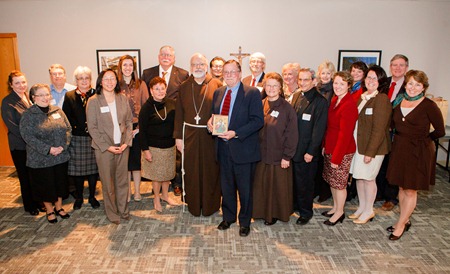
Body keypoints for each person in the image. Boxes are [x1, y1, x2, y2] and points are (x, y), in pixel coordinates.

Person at [386, 70, 444, 240]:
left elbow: (439, 131)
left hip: (418, 151)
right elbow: (391, 124)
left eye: (417, 85)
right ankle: (405, 218)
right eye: (410, 83)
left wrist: (424, 141)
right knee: (401, 187)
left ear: (423, 87)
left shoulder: (429, 105)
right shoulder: (398, 101)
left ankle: (401, 224)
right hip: (399, 148)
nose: (413, 88)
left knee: (411, 189)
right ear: (406, 84)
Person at [208, 60, 264, 237]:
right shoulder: (218, 93)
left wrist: (236, 133)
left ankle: (245, 221)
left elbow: (257, 121)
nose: (229, 75)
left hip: (243, 148)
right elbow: (214, 116)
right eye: (226, 72)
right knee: (227, 186)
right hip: (223, 148)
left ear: (240, 73)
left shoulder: (252, 93)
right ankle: (228, 217)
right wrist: (210, 125)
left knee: (245, 189)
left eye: (233, 72)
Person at [174, 53, 222, 216]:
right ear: (190, 67)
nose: (198, 67)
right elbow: (179, 113)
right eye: (195, 64)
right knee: (192, 170)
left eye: (201, 64)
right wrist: (178, 138)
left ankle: (210, 206)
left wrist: (221, 133)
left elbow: (222, 111)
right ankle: (193, 205)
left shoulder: (217, 84)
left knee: (211, 170)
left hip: (211, 136)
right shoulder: (184, 86)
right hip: (189, 134)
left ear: (206, 66)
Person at [20, 84, 72, 223]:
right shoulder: (28, 115)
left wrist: (63, 146)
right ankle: (49, 210)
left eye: (47, 94)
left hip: (60, 156)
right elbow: (28, 136)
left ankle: (59, 207)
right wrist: (48, 149)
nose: (45, 97)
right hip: (41, 159)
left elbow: (68, 128)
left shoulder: (57, 110)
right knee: (46, 185)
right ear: (33, 98)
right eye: (41, 95)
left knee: (60, 184)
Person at [86, 69, 133, 225]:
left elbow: (128, 122)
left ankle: (123, 210)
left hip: (123, 146)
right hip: (104, 149)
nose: (109, 82)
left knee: (122, 182)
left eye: (112, 78)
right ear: (100, 81)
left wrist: (127, 142)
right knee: (108, 182)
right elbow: (92, 128)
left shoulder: (122, 98)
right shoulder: (93, 101)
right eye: (106, 79)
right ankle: (112, 213)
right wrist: (107, 147)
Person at [141, 45, 189, 196]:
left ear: (174, 58)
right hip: (155, 121)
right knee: (157, 167)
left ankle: (175, 185)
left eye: (169, 55)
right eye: (163, 54)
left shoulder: (183, 74)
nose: (166, 57)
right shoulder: (147, 73)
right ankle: (157, 193)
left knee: (172, 163)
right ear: (158, 56)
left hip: (173, 120)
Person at [252, 72, 298, 225]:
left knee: (276, 188)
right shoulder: (259, 104)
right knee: (261, 186)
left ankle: (273, 215)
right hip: (260, 155)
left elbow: (292, 134)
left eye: (275, 86)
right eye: (268, 85)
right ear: (264, 86)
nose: (271, 88)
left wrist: (287, 156)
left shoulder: (287, 108)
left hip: (278, 157)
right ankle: (260, 212)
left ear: (280, 88)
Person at [349, 65, 392, 224]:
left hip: (372, 148)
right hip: (359, 145)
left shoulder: (381, 99)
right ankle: (361, 207)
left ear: (380, 81)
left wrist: (370, 152)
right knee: (359, 178)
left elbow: (379, 129)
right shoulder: (363, 96)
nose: (371, 81)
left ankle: (369, 210)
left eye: (375, 78)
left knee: (368, 179)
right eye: (368, 77)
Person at [1, 71, 42, 215]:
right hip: (19, 146)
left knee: (34, 175)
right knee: (25, 176)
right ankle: (30, 205)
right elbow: (12, 127)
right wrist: (32, 139)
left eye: (23, 82)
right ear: (11, 85)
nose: (21, 85)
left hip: (33, 145)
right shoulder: (7, 102)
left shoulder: (29, 98)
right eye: (17, 83)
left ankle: (38, 201)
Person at [290, 68, 328, 225]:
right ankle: (296, 207)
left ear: (313, 81)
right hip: (294, 149)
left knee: (305, 184)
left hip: (307, 151)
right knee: (295, 181)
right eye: (300, 79)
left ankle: (306, 212)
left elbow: (319, 130)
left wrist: (311, 151)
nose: (302, 83)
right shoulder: (298, 95)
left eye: (306, 80)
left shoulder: (320, 101)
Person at [322, 71, 358, 226]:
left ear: (349, 85)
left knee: (340, 183)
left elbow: (345, 135)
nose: (337, 86)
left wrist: (336, 157)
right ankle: (335, 207)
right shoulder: (335, 99)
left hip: (342, 151)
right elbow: (329, 127)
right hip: (331, 146)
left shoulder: (349, 105)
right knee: (332, 181)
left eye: (342, 84)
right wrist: (325, 146)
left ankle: (340, 212)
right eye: (336, 83)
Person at [62, 66, 100, 210]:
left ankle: (91, 196)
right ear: (76, 80)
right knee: (77, 171)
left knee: (92, 170)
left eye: (87, 78)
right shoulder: (70, 95)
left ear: (91, 80)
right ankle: (79, 197)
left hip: (93, 137)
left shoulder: (97, 94)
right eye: (80, 78)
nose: (84, 81)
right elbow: (66, 118)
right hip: (77, 138)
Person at [140, 77, 178, 212]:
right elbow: (142, 131)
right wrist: (146, 150)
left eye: (162, 88)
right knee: (156, 176)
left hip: (169, 146)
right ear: (151, 91)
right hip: (153, 147)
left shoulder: (172, 103)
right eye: (157, 89)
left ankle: (165, 195)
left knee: (167, 174)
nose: (160, 91)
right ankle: (156, 198)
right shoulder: (146, 108)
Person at [377, 54, 409, 212]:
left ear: (406, 68)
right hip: (380, 130)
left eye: (401, 65)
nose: (397, 68)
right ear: (390, 66)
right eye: (394, 65)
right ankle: (380, 193)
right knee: (380, 162)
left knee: (392, 164)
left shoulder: (409, 86)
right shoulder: (384, 83)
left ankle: (391, 197)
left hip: (396, 132)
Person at [117, 55, 149, 202]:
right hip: (121, 128)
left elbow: (146, 107)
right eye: (125, 65)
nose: (128, 68)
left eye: (130, 65)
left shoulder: (140, 84)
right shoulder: (116, 85)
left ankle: (137, 191)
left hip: (137, 127)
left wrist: (140, 128)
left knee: (136, 162)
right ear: (120, 67)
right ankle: (127, 192)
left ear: (134, 68)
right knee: (124, 162)